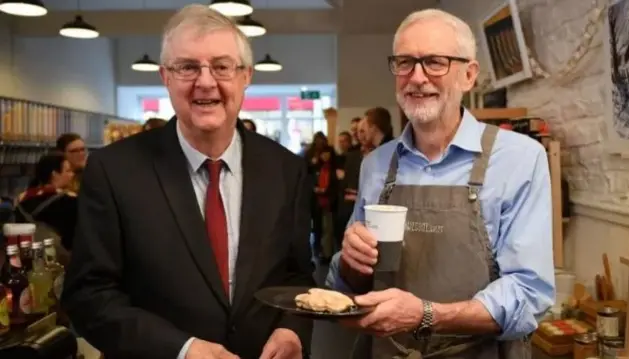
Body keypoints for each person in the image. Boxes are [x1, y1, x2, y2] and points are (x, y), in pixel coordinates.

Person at [61, 5, 315, 359]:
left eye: (222, 66)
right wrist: (180, 349)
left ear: (246, 76)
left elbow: (296, 276)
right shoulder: (114, 171)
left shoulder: (287, 170)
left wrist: (291, 329)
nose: (206, 82)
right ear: (165, 76)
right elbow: (89, 295)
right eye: (188, 67)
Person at [326, 9, 554, 359]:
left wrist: (426, 315)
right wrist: (350, 264)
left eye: (434, 62)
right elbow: (349, 286)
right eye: (405, 62)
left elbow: (529, 293)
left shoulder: (521, 159)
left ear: (469, 74)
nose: (417, 77)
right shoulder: (376, 165)